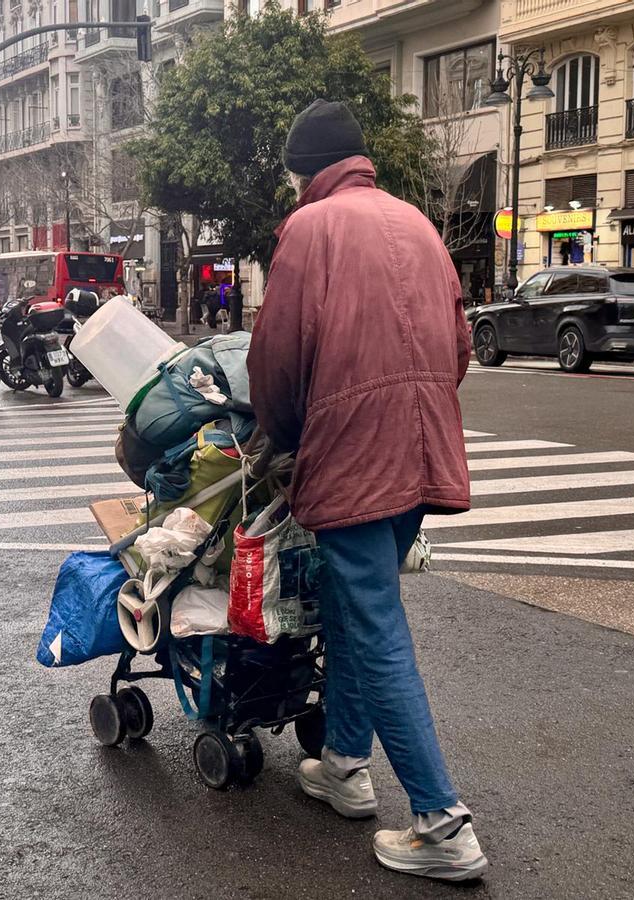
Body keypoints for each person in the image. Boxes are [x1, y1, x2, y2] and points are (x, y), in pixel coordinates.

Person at [248, 99, 486, 883]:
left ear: (303, 174)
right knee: (357, 605)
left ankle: (441, 822)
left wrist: (285, 439)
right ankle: (345, 764)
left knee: (376, 625)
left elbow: (277, 360)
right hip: (421, 445)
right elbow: (458, 347)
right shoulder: (417, 224)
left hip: (354, 451)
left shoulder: (309, 229)